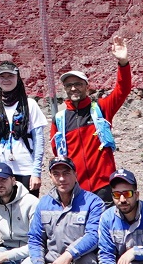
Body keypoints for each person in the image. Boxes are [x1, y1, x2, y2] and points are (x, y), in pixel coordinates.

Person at [52, 37, 133, 204]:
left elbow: (122, 90)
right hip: (76, 187)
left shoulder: (101, 109)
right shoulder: (59, 118)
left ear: (87, 86)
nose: (73, 88)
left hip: (103, 185)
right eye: (69, 85)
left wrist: (123, 62)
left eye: (78, 84)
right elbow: (57, 152)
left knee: (105, 228)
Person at [26, 157, 105, 264]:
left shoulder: (93, 202)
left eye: (66, 173)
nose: (62, 178)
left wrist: (70, 254)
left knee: (84, 260)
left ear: (75, 174)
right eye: (56, 174)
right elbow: (35, 238)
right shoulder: (44, 203)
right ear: (51, 176)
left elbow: (94, 235)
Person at [0, 61, 47, 193]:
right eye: (2, 76)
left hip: (26, 169)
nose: (6, 80)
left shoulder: (30, 105)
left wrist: (36, 172)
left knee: (27, 210)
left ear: (17, 77)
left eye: (10, 76)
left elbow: (39, 141)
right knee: (2, 210)